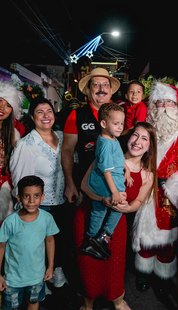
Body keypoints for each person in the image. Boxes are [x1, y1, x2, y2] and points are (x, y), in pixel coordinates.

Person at [70, 122, 157, 310]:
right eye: (135, 135)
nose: (138, 141)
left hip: (116, 225)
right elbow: (83, 186)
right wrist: (104, 199)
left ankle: (119, 301)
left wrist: (127, 208)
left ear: (149, 147)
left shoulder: (148, 174)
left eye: (144, 138)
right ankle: (87, 305)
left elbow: (138, 202)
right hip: (89, 215)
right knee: (87, 262)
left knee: (114, 265)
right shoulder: (108, 154)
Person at [132, 81, 178, 292]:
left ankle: (163, 272)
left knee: (167, 234)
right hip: (148, 187)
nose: (164, 108)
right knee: (145, 230)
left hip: (172, 191)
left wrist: (176, 181)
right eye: (159, 103)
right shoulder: (146, 131)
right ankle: (143, 271)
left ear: (176, 107)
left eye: (168, 103)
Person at [9, 97, 68, 289]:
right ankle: (39, 283)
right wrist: (28, 206)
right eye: (40, 112)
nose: (45, 116)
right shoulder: (27, 144)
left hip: (62, 201)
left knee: (57, 241)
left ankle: (55, 272)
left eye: (49, 111)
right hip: (39, 205)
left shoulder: (63, 136)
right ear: (33, 118)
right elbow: (19, 180)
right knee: (37, 246)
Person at [0, 175, 59, 310]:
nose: (31, 201)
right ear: (19, 197)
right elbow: (2, 247)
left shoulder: (47, 219)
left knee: (33, 303)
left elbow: (50, 240)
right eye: (26, 196)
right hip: (12, 278)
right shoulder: (10, 222)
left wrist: (50, 266)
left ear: (42, 197)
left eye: (36, 196)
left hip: (36, 276)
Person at [62, 67, 120, 204]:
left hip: (116, 186)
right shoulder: (76, 115)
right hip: (86, 185)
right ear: (88, 91)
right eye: (96, 84)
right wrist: (69, 183)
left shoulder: (121, 113)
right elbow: (67, 151)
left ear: (111, 91)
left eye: (106, 85)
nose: (101, 89)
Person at [81, 103, 127, 259]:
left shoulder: (111, 139)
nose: (120, 127)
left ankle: (99, 237)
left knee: (112, 210)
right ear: (103, 124)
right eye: (116, 123)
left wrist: (126, 171)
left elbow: (118, 160)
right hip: (106, 186)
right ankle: (93, 239)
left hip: (112, 183)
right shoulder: (106, 143)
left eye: (122, 123)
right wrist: (114, 191)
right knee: (101, 212)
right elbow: (106, 169)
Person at [0, 79, 24, 224]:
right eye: (1, 101)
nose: (3, 107)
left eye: (8, 105)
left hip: (5, 184)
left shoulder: (15, 133)